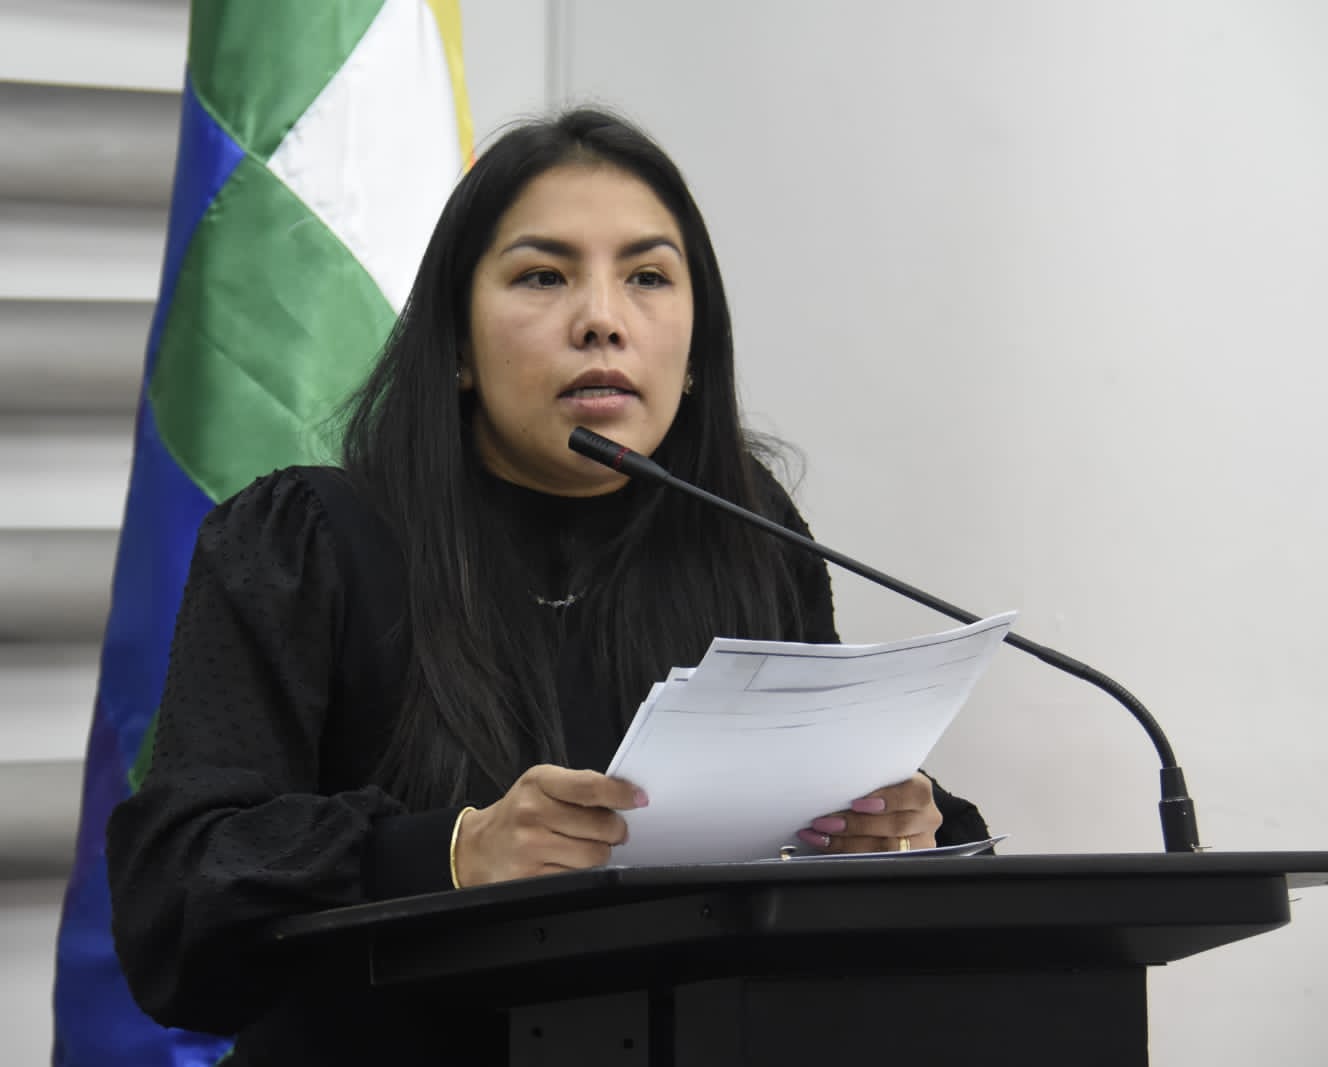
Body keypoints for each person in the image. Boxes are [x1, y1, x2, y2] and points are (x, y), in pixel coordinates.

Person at [106, 107, 991, 1066]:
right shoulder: (308, 542)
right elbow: (180, 891)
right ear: (456, 342)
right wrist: (455, 852)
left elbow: (818, 830)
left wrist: (896, 832)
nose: (602, 318)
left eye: (647, 276)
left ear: (696, 351)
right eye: (543, 275)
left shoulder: (747, 541)